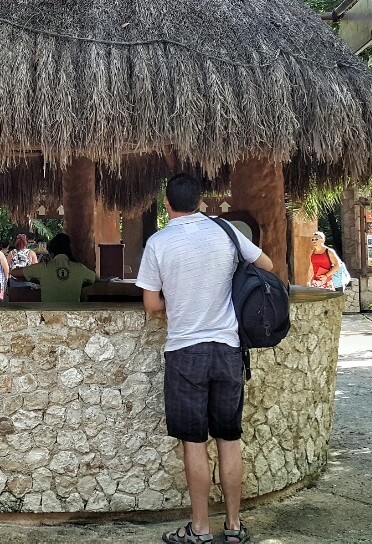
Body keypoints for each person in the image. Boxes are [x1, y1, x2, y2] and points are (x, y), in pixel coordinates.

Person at [136, 173, 272, 544]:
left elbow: (151, 305)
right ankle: (233, 526)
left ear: (167, 204)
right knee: (229, 439)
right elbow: (268, 266)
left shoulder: (159, 242)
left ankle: (199, 530)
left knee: (193, 443)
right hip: (228, 349)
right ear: (201, 202)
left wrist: (177, 298)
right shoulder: (225, 231)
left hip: (185, 352)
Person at [13, 233, 96, 302]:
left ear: (51, 253)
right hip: (73, 318)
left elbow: (14, 272)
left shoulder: (42, 268)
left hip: (49, 318)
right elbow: (95, 278)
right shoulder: (80, 269)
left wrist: (35, 279)